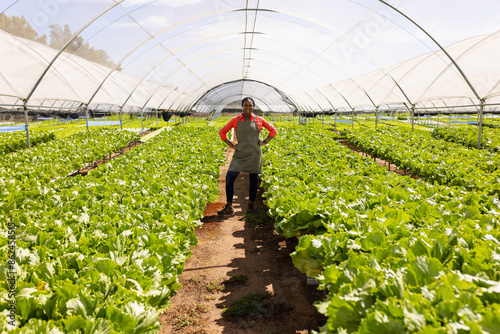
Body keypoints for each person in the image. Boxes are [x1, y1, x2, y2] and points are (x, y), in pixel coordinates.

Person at [217, 97, 277, 215]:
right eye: (246, 105)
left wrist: (264, 142)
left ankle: (251, 205)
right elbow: (222, 132)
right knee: (229, 178)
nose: (248, 108)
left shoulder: (259, 120)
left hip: (254, 154)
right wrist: (231, 145)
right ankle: (229, 206)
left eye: (250, 105)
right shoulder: (235, 120)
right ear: (242, 106)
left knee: (253, 180)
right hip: (240, 154)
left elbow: (273, 131)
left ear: (253, 107)